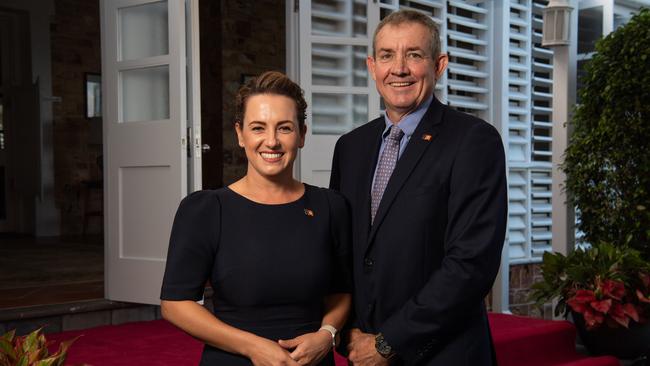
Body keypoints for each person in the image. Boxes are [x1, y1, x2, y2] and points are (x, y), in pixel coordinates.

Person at [329, 10, 507, 366]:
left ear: (439, 64)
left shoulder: (473, 141)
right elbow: (341, 251)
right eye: (387, 55)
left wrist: (388, 343)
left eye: (414, 54)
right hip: (361, 351)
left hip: (442, 354)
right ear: (371, 65)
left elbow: (470, 265)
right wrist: (345, 332)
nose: (399, 68)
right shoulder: (350, 147)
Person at [161, 71, 352, 366]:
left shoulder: (331, 206)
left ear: (302, 134)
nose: (272, 141)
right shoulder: (206, 210)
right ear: (240, 134)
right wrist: (252, 347)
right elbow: (175, 304)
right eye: (258, 128)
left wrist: (326, 333)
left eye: (284, 128)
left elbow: (342, 292)